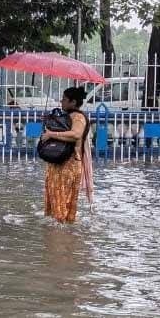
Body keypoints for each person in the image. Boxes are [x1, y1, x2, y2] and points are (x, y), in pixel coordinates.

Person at [40, 86, 95, 224]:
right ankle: (64, 237)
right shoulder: (64, 116)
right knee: (58, 202)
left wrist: (52, 134)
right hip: (58, 164)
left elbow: (76, 134)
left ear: (73, 102)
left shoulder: (78, 117)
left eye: (64, 100)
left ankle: (60, 239)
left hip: (68, 165)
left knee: (62, 202)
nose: (61, 102)